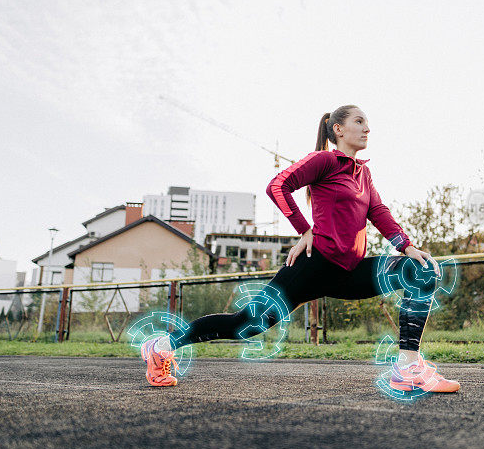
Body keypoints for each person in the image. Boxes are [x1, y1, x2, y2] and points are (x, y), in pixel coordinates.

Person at [141, 105, 460, 393]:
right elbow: (277, 186)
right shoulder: (325, 160)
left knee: (421, 269)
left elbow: (378, 212)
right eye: (359, 121)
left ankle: (407, 368)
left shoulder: (363, 174)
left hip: (349, 271)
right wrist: (304, 230)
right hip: (313, 266)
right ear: (338, 129)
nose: (367, 129)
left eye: (368, 123)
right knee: (245, 326)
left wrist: (406, 246)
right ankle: (162, 345)